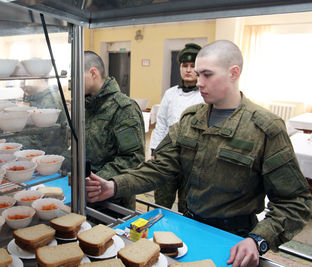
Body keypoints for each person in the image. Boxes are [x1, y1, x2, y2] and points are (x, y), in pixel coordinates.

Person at [86, 40, 312, 267]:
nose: (199, 82)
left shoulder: (264, 127)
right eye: (198, 74)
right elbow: (160, 167)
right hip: (189, 228)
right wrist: (114, 185)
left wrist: (259, 239)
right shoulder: (191, 119)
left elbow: (295, 202)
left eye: (207, 75)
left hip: (235, 241)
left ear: (234, 73)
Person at [84, 51, 145, 210]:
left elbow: (132, 158)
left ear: (93, 73)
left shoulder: (123, 109)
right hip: (84, 195)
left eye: (76, 77)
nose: (72, 83)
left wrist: (96, 181)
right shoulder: (85, 107)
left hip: (113, 202)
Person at [150, 43, 204, 211]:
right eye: (184, 65)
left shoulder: (204, 95)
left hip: (193, 159)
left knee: (187, 206)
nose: (188, 70)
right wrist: (154, 151)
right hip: (167, 155)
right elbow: (161, 124)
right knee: (162, 201)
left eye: (192, 66)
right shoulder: (171, 93)